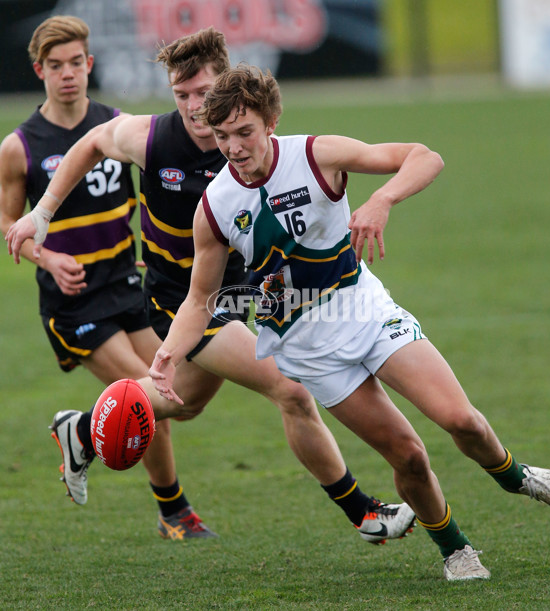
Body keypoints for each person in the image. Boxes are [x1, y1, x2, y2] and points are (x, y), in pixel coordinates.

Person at [143, 64, 550, 580]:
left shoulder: (316, 155)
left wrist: (382, 198)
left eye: (244, 132)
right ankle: (455, 548)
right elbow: (200, 299)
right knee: (410, 457)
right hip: (307, 349)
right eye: (222, 137)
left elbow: (425, 157)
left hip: (364, 311)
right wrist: (168, 354)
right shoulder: (215, 206)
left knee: (461, 420)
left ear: (271, 122)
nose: (234, 147)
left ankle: (519, 477)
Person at [5, 28, 416, 546]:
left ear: (228, 84)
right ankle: (364, 513)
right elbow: (89, 143)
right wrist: (41, 215)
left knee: (183, 404)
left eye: (204, 93)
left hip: (240, 296)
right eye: (182, 96)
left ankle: (83, 430)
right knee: (290, 390)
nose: (196, 108)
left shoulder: (247, 138)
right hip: (183, 303)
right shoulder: (151, 139)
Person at [0, 15, 215, 540]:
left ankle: (82, 435)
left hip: (127, 288)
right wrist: (47, 259)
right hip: (73, 304)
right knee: (147, 403)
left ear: (89, 64)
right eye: (56, 66)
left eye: (76, 62)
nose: (68, 73)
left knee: (175, 397)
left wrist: (154, 254)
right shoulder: (19, 145)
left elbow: (151, 197)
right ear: (39, 71)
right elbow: (9, 222)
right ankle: (174, 514)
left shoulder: (114, 125)